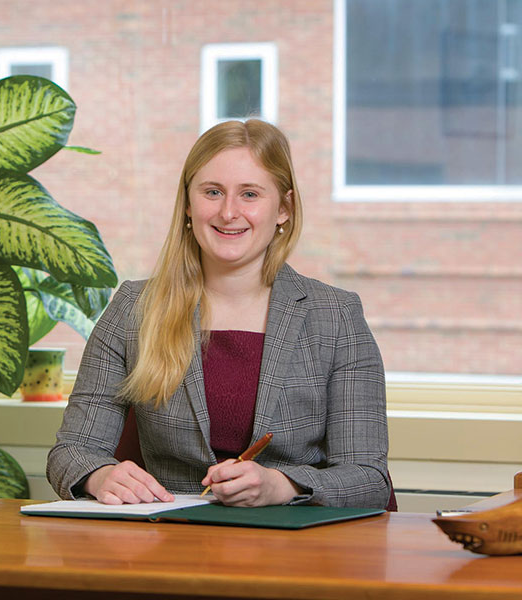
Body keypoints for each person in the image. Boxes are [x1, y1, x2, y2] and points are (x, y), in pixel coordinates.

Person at [47, 119, 390, 509]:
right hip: (170, 545)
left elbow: (368, 478)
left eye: (250, 194)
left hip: (296, 548)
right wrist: (99, 475)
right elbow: (70, 453)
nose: (229, 212)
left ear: (284, 208)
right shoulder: (133, 308)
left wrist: (282, 486)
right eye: (212, 192)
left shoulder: (337, 317)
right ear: (189, 205)